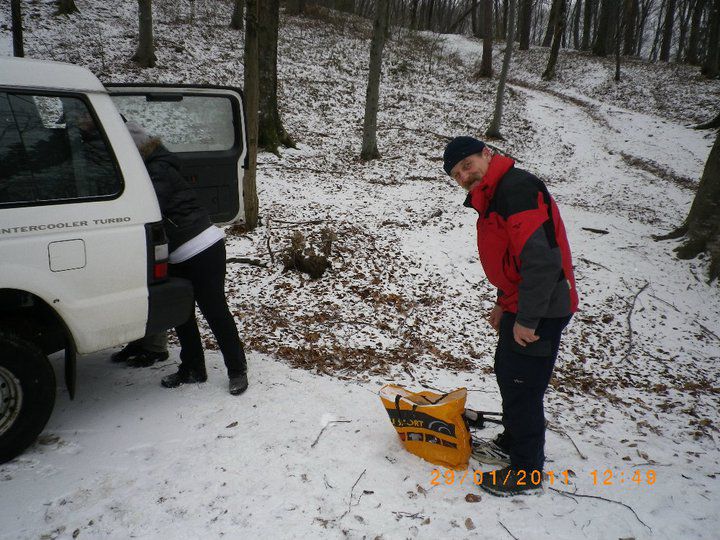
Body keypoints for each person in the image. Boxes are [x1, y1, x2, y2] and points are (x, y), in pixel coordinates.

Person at [443, 136, 578, 496]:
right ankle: (512, 441)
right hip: (522, 304)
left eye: (467, 165)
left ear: (487, 155)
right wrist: (505, 303)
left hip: (542, 309)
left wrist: (528, 319)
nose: (464, 176)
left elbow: (541, 261)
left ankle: (527, 470)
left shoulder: (515, 190)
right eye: (457, 174)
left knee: (523, 389)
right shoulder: (493, 194)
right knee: (509, 373)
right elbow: (512, 261)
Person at [125, 121, 249, 396]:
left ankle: (237, 370)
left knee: (214, 310)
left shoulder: (156, 170)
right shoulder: (150, 168)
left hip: (202, 248)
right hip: (177, 253)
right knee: (182, 314)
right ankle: (193, 368)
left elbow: (148, 207)